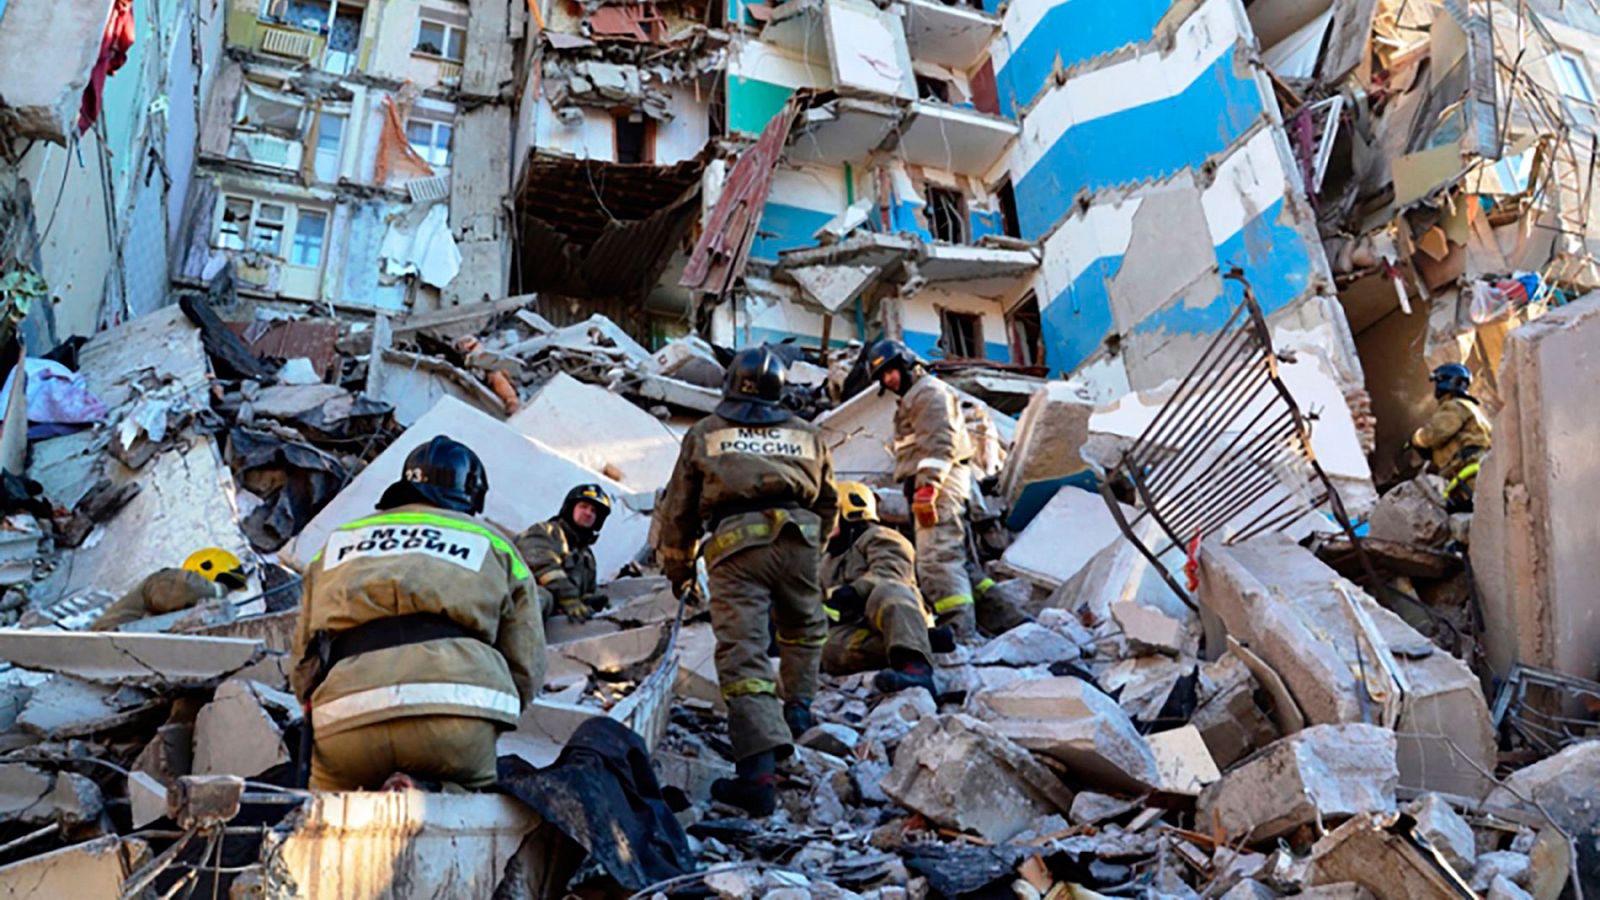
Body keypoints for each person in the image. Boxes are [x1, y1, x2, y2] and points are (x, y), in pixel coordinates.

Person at [291, 436, 544, 791]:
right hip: (456, 715)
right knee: (473, 797)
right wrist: (495, 715)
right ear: (471, 495)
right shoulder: (495, 544)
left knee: (325, 806)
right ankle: (436, 792)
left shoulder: (337, 541)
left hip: (348, 717)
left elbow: (304, 658)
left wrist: (312, 700)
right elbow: (526, 660)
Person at [655, 346, 838, 817]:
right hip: (800, 539)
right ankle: (797, 711)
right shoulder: (809, 435)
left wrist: (678, 572)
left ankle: (757, 776)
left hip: (736, 549)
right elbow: (829, 501)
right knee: (803, 629)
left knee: (744, 655)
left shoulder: (706, 432)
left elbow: (678, 511)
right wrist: (809, 551)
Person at [864, 339, 979, 637]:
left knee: (936, 559)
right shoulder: (915, 396)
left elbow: (940, 442)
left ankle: (958, 633)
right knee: (959, 562)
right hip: (934, 482)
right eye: (883, 377)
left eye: (891, 371)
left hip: (938, 484)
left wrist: (927, 488)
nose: (889, 380)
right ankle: (1005, 618)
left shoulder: (927, 392)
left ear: (906, 364)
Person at [821, 482, 936, 696]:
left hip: (895, 615)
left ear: (851, 510)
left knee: (890, 591)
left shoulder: (881, 537)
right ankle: (922, 642)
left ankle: (917, 669)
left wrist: (854, 591)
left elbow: (891, 572)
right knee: (826, 646)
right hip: (857, 626)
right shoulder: (827, 560)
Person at [516, 484, 612, 622]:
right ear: (570, 508)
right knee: (540, 596)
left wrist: (589, 600)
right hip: (520, 600)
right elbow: (543, 565)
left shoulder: (587, 557)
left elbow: (587, 591)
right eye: (583, 506)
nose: (588, 513)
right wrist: (569, 597)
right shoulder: (545, 531)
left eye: (594, 511)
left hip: (553, 620)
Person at [92, 548, 248, 631]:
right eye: (225, 583)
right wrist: (220, 592)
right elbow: (184, 585)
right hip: (107, 642)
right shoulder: (166, 580)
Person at [1407, 362, 1493, 511]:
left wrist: (1415, 439)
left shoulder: (1455, 406)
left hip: (1470, 479)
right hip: (1477, 475)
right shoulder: (1471, 407)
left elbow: (1434, 434)